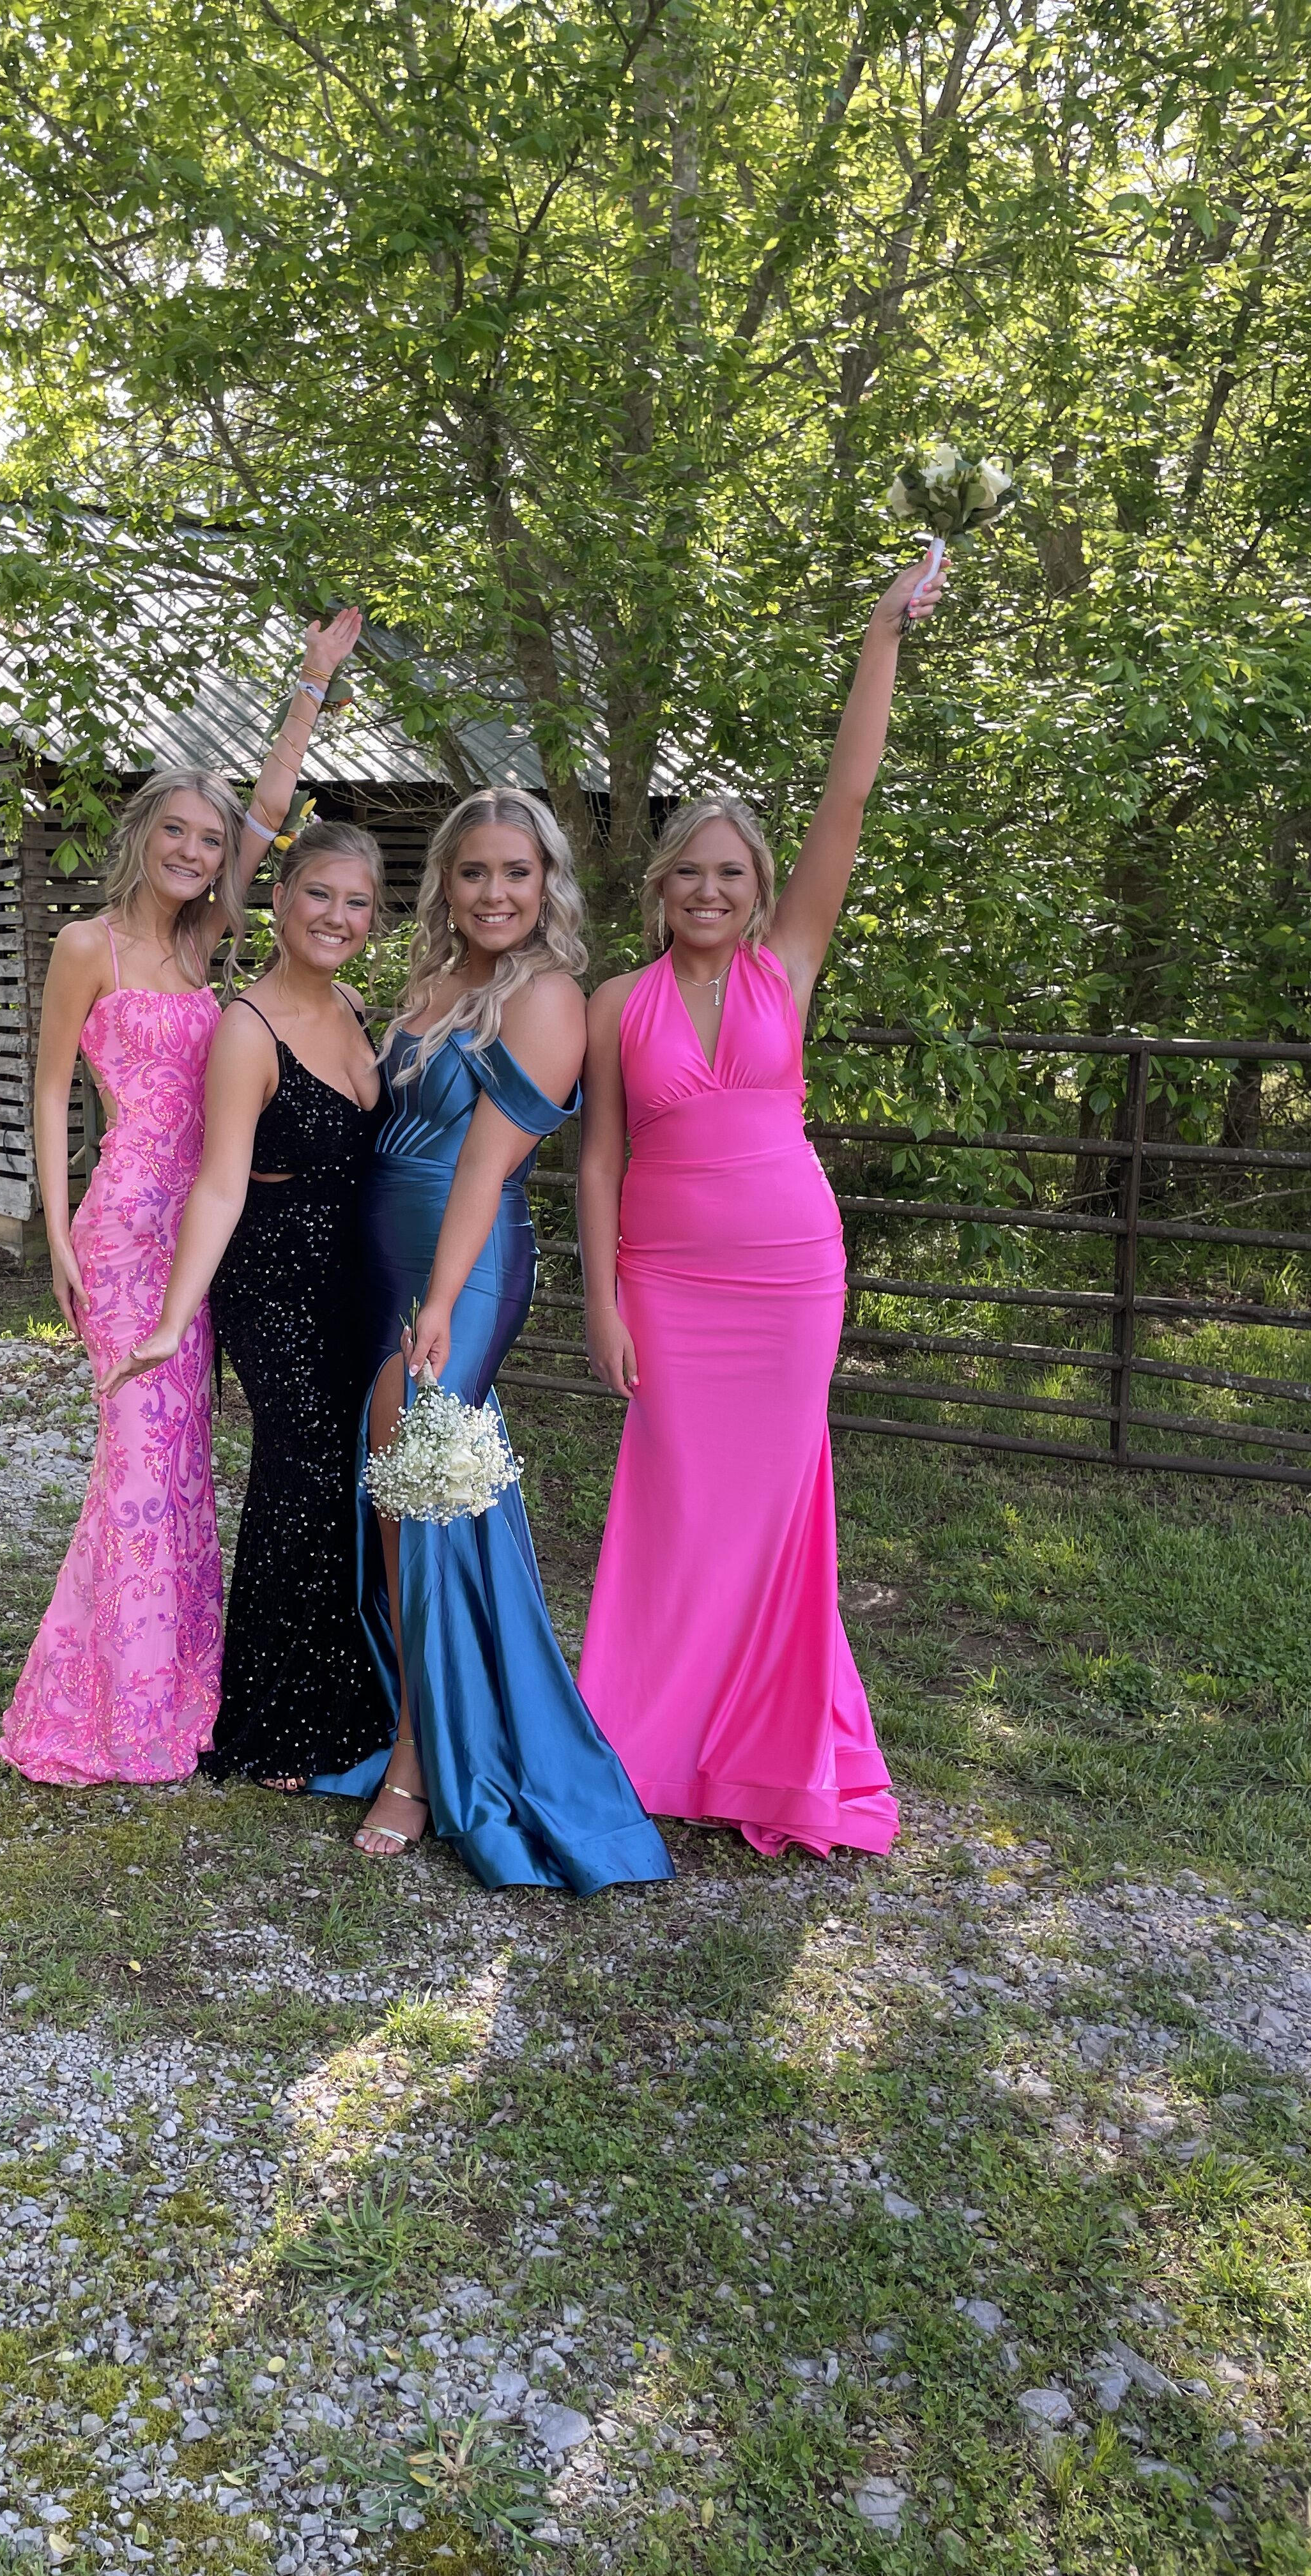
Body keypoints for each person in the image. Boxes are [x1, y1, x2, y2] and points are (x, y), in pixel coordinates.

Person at [574, 553, 948, 1857]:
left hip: (792, 1277)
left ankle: (771, 1754)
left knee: (779, 1506)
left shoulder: (791, 965)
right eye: (693, 876)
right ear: (661, 888)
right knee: (678, 1504)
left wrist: (880, 637)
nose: (714, 895)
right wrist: (604, 1301)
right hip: (670, 1289)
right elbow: (600, 1163)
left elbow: (850, 793)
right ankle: (648, 1738)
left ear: (757, 887)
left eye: (734, 876)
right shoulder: (617, 1004)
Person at [0, 608, 363, 1786]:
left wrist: (309, 684)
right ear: (145, 833)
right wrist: (56, 1236)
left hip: (211, 1224)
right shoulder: (85, 947)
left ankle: (185, 1678)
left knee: (188, 1458)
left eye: (212, 842)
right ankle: (110, 1705)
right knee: (137, 1454)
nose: (199, 852)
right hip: (121, 1227)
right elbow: (53, 1094)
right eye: (180, 831)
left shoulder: (208, 944)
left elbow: (270, 813)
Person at [307, 789, 673, 1897]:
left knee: (421, 1482)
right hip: (383, 1262)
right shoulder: (428, 985)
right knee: (394, 1491)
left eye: (517, 873)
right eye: (476, 874)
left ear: (547, 882)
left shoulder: (550, 997)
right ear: (448, 887)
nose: (496, 893)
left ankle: (420, 1759)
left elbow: (485, 1165)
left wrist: (443, 1298)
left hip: (461, 1269)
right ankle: (414, 1700)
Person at [102, 820, 389, 1789]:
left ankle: (358, 1699)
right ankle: (276, 1720)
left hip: (355, 1275)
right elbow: (220, 1184)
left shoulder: (354, 1007)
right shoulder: (245, 1026)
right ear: (280, 899)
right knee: (298, 1474)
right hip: (272, 1278)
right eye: (319, 894)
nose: (337, 917)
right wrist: (179, 1318)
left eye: (357, 902)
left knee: (348, 1477)